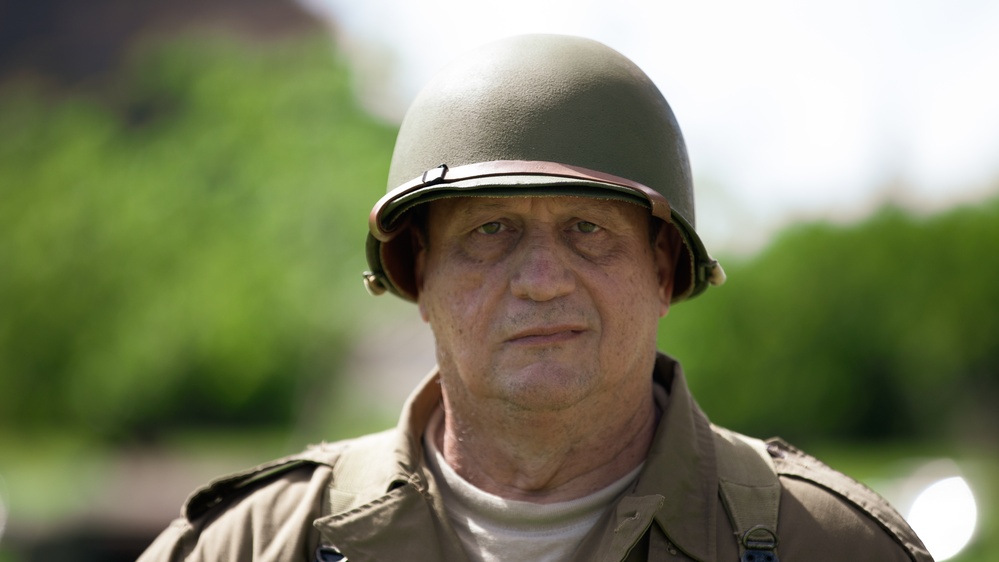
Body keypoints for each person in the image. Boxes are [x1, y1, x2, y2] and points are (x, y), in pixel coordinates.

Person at [139, 34, 932, 562]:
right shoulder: (254, 543)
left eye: (588, 229)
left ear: (664, 269)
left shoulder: (820, 544)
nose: (541, 279)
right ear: (418, 274)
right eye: (489, 232)